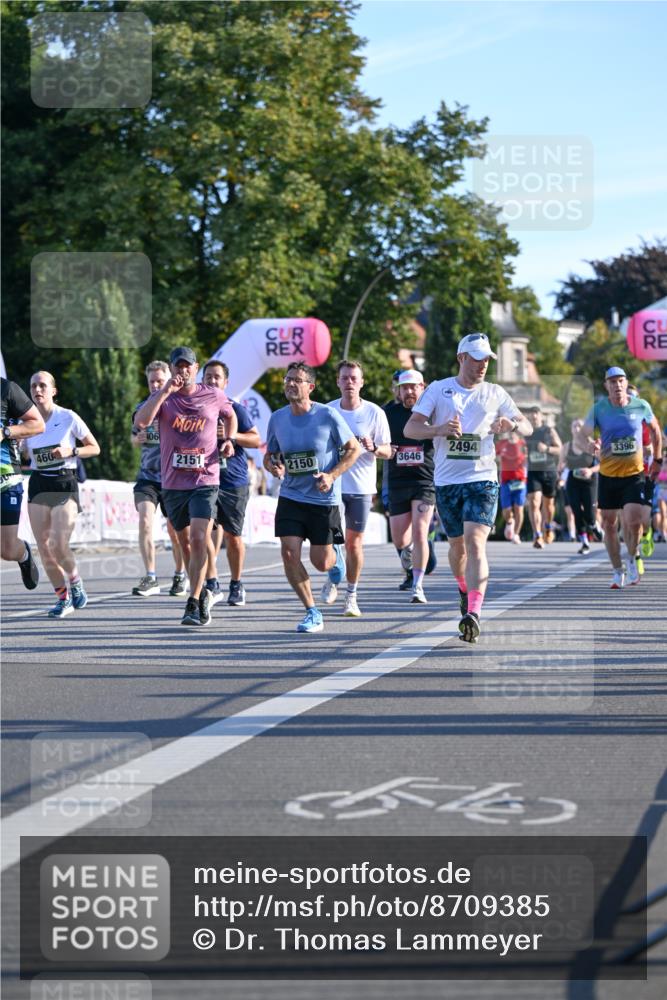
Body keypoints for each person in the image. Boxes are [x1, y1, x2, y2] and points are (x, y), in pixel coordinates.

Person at [405, 332, 532, 643]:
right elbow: (411, 428)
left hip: (483, 479)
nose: (483, 364)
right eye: (477, 359)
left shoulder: (495, 392)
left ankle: (474, 612)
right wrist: (438, 429)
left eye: (487, 359)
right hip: (447, 482)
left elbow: (528, 426)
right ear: (461, 358)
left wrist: (512, 424)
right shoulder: (439, 389)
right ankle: (464, 589)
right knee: (457, 548)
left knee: (476, 544)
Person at [134, 346, 237, 626]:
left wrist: (229, 440)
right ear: (171, 369)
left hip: (205, 479)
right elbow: (141, 422)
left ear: (196, 368)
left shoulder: (213, 395)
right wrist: (164, 391)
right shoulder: (163, 397)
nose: (183, 370)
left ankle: (193, 601)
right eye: (178, 366)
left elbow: (230, 415)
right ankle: (202, 591)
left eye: (187, 365)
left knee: (199, 537)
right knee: (184, 543)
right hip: (173, 482)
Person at [263, 361, 361, 633]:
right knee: (288, 552)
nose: (291, 384)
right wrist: (272, 466)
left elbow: (353, 449)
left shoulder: (327, 415)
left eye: (297, 380)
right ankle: (312, 611)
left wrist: (332, 475)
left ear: (311, 387)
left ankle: (335, 559)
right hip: (291, 496)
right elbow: (270, 455)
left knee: (321, 562)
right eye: (288, 379)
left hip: (322, 499)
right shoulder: (277, 418)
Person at [576, 366, 662, 588]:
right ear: (606, 386)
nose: (617, 385)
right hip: (608, 475)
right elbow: (581, 436)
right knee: (608, 524)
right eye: (612, 382)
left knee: (634, 522)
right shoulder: (599, 409)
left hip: (634, 474)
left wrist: (658, 459)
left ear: (626, 383)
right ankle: (617, 570)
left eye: (621, 381)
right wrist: (590, 446)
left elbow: (655, 430)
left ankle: (632, 557)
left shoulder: (640, 405)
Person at [24, 371, 100, 618]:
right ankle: (62, 598)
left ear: (53, 391)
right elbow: (24, 455)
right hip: (38, 483)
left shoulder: (68, 417)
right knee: (44, 547)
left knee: (58, 544)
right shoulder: (27, 421)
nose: (37, 390)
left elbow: (95, 448)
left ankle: (75, 581)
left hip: (64, 482)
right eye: (33, 386)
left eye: (42, 385)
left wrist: (71, 451)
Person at [324, 359, 392, 616]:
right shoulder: (328, 411)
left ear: (362, 382)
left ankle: (351, 595)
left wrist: (373, 447)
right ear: (338, 382)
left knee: (354, 543)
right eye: (345, 378)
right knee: (328, 539)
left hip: (361, 487)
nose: (349, 382)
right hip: (333, 484)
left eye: (354, 378)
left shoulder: (374, 413)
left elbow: (388, 451)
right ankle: (334, 575)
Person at [201, 359, 261, 607]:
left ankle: (236, 583)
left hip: (233, 481)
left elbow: (256, 440)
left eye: (217, 377)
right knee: (203, 530)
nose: (212, 381)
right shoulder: (196, 409)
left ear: (225, 383)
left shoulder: (235, 409)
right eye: (208, 377)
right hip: (204, 479)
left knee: (233, 537)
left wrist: (230, 435)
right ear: (202, 381)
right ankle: (212, 580)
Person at [131, 360, 187, 597]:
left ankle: (180, 574)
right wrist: (137, 439)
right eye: (152, 382)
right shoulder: (143, 407)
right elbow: (134, 436)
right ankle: (151, 576)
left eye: (160, 381)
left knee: (175, 531)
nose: (155, 386)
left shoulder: (180, 406)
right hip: (148, 477)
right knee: (145, 521)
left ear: (168, 380)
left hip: (174, 478)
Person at [384, 369, 435, 605]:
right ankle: (412, 556)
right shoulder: (388, 413)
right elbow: (377, 439)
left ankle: (418, 584)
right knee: (399, 539)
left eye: (414, 387)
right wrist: (384, 448)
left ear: (422, 387)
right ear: (399, 390)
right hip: (398, 481)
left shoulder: (432, 413)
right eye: (405, 387)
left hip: (424, 480)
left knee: (420, 532)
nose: (409, 391)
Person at [1, 376, 44, 589]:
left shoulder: (6, 389)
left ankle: (23, 553)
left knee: (7, 550)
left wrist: (6, 432)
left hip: (5, 479)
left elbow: (38, 424)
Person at [558, 418, 600, 554]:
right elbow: (560, 466)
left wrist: (591, 470)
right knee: (576, 511)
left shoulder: (592, 444)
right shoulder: (566, 447)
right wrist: (560, 470)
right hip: (573, 482)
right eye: (574, 426)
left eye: (579, 426)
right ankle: (584, 543)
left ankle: (594, 525)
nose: (577, 429)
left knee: (589, 514)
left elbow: (603, 464)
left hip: (590, 482)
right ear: (571, 430)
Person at [525, 406, 562, 547]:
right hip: (533, 471)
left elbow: (560, 449)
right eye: (531, 414)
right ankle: (537, 535)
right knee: (534, 502)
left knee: (549, 505)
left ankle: (547, 526)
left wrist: (546, 448)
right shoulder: (526, 432)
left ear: (540, 416)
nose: (534, 416)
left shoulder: (549, 431)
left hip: (549, 471)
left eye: (536, 414)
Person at [495, 428, 528, 544]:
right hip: (506, 481)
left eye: (514, 430)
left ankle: (516, 534)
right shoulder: (501, 444)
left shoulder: (523, 444)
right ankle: (509, 522)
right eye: (510, 430)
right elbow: (493, 456)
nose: (512, 433)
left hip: (520, 481)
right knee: (506, 510)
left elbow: (528, 459)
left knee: (519, 509)